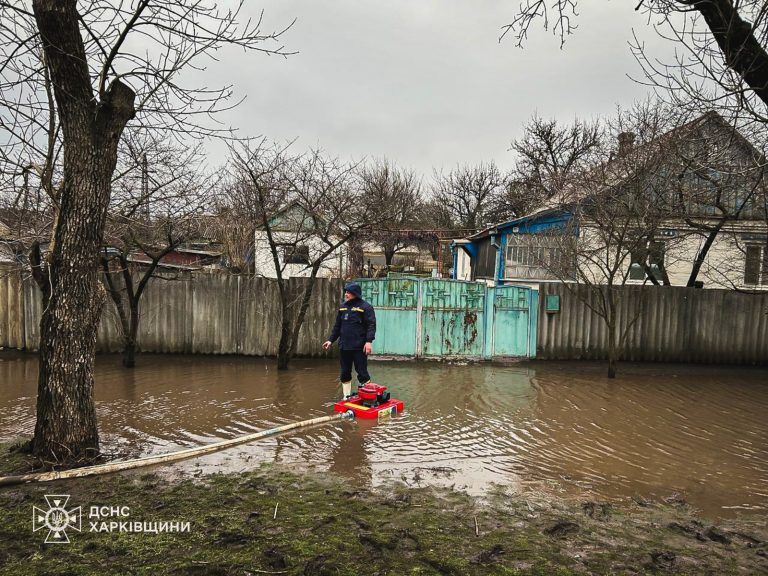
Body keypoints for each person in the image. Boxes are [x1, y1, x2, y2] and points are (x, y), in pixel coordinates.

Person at [322, 282, 376, 399]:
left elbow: (371, 325)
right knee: (345, 372)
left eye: (348, 292)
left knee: (362, 372)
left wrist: (369, 341)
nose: (346, 294)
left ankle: (367, 397)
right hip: (344, 346)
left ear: (355, 293)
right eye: (346, 292)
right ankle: (346, 397)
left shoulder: (366, 307)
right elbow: (337, 326)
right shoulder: (343, 307)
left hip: (359, 346)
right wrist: (331, 340)